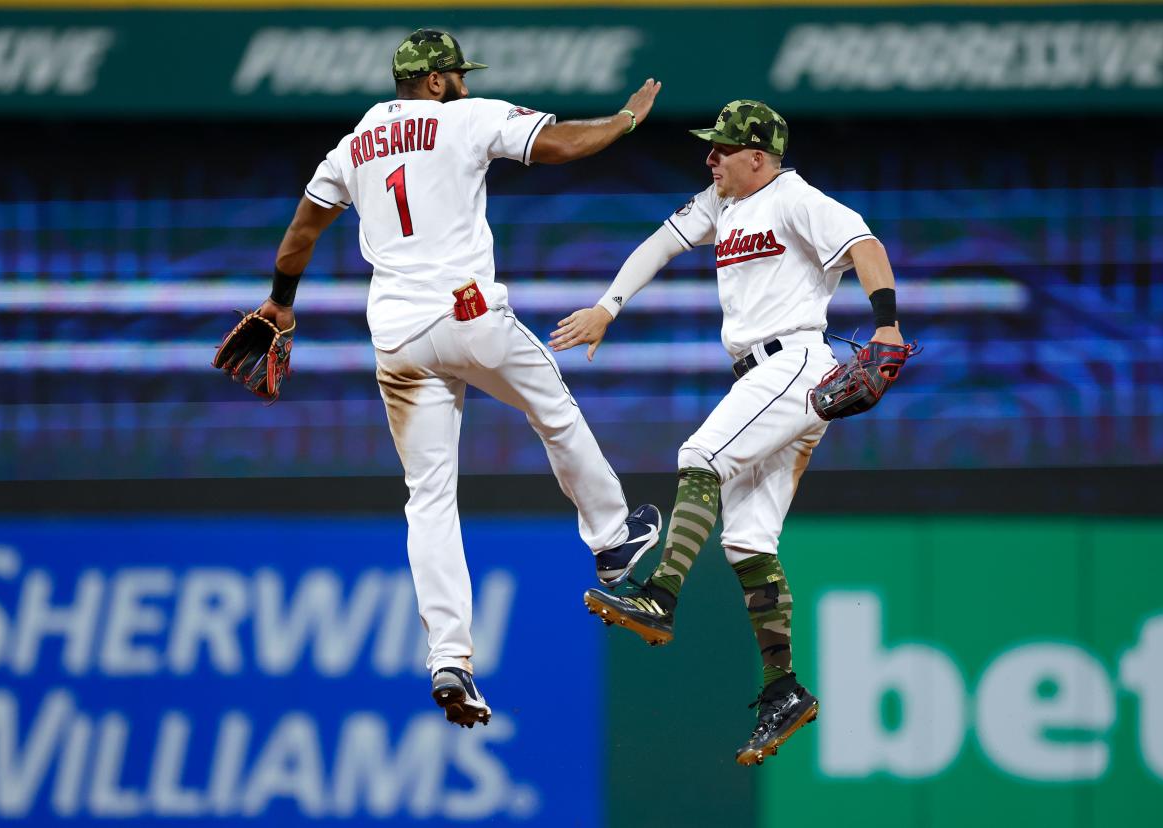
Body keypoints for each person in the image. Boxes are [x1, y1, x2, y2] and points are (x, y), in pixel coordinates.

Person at [249, 29, 662, 728]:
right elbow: (559, 143)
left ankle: (450, 657)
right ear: (436, 81)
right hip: (468, 315)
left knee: (429, 499)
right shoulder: (465, 117)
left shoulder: (356, 141)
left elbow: (301, 231)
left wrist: (281, 303)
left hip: (399, 337)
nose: (464, 83)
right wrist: (624, 120)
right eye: (456, 74)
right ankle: (613, 538)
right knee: (551, 407)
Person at [550, 100, 907, 765]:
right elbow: (660, 242)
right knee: (747, 539)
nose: (709, 158)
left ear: (757, 156)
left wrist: (885, 323)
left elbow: (865, 245)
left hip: (796, 361)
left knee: (701, 454)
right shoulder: (721, 202)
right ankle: (783, 688)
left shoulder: (794, 197)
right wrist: (607, 306)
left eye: (721, 149)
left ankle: (659, 597)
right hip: (767, 379)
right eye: (709, 148)